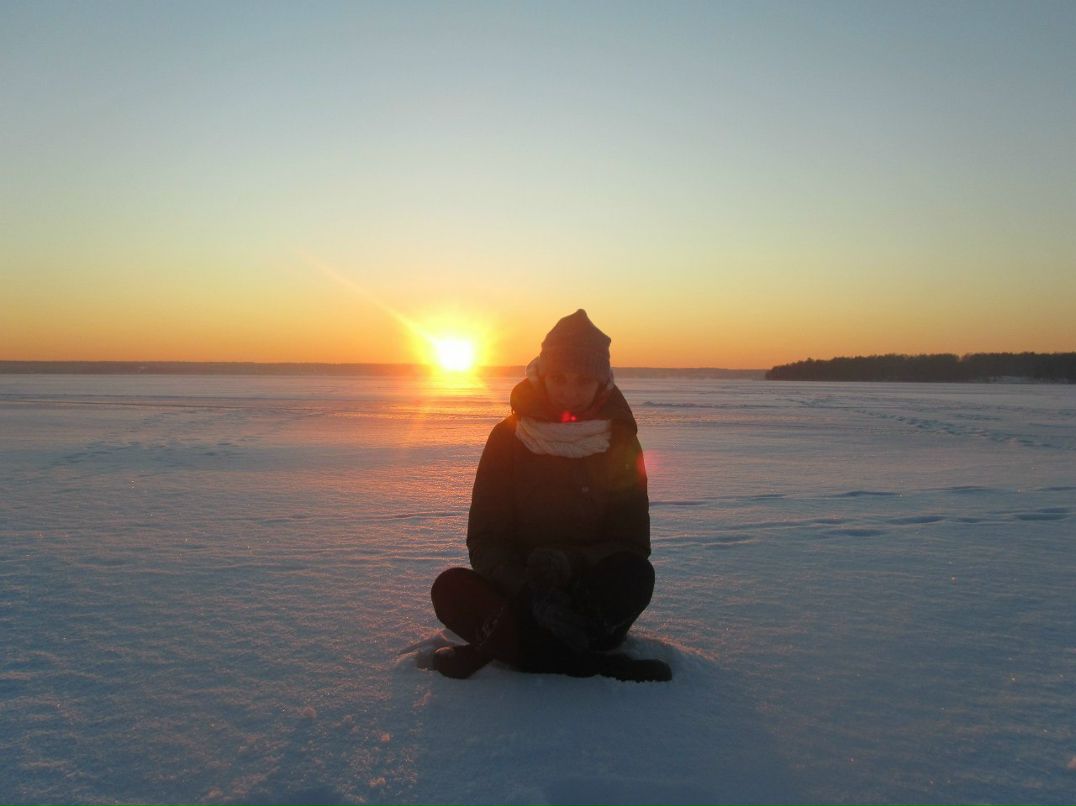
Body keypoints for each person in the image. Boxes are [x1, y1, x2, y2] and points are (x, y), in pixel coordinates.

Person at [426, 309, 671, 682]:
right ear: (542, 375)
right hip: (519, 595)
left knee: (636, 576)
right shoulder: (508, 438)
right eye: (559, 378)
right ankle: (592, 663)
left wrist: (569, 564)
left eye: (583, 381)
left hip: (588, 599)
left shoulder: (620, 442)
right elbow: (486, 538)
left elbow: (630, 542)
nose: (570, 392)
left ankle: (511, 650)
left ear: (602, 383)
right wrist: (528, 590)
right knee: (450, 588)